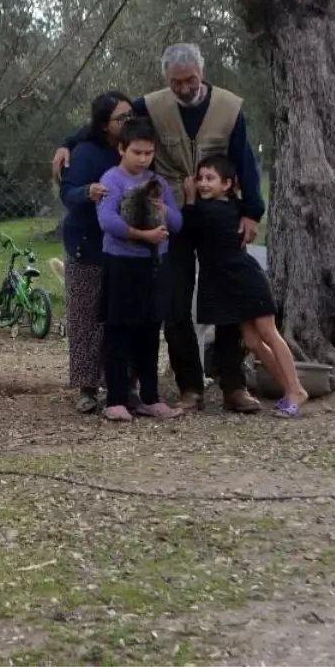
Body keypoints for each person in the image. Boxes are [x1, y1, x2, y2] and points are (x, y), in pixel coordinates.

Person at [50, 44, 264, 414]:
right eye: (175, 82)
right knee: (174, 303)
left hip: (219, 219)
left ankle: (234, 385)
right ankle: (190, 387)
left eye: (190, 80)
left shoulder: (230, 108)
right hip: (171, 218)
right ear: (166, 79)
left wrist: (251, 212)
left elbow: (246, 161)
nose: (183, 88)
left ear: (203, 72)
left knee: (230, 300)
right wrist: (67, 142)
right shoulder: (151, 104)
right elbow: (111, 121)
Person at [183, 155, 308, 417]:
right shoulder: (231, 206)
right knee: (251, 340)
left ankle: (295, 389)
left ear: (227, 184)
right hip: (227, 283)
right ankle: (289, 389)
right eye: (200, 178)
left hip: (244, 279)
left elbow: (190, 225)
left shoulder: (213, 210)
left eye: (210, 179)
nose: (203, 184)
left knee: (268, 332)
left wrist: (190, 198)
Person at [95, 117, 184, 422]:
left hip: (154, 266)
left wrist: (163, 209)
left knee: (149, 330)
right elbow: (108, 222)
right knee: (119, 331)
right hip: (122, 264)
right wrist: (143, 235)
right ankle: (116, 399)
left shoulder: (156, 183)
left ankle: (151, 397)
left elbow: (176, 224)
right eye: (137, 152)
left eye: (148, 153)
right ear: (122, 148)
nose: (143, 159)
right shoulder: (111, 181)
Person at [59, 91, 132, 413]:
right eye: (121, 118)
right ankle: (87, 387)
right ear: (104, 124)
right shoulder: (86, 153)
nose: (128, 122)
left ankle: (123, 382)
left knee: (121, 318)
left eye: (131, 116)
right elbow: (67, 192)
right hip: (87, 243)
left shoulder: (134, 151)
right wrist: (87, 192)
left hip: (127, 247)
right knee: (86, 318)